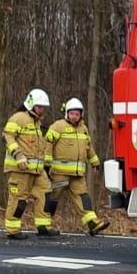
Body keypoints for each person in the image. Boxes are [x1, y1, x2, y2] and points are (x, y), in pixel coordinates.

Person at [43, 98, 110, 236]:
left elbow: (88, 148)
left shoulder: (83, 129)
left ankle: (93, 224)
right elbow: (48, 145)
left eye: (77, 114)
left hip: (77, 175)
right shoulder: (57, 126)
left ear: (81, 115)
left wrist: (95, 162)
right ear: (67, 113)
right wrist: (46, 165)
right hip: (59, 174)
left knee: (83, 198)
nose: (74, 116)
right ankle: (44, 225)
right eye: (72, 113)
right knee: (52, 198)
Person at [3, 88, 56, 240]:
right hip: (20, 169)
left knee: (46, 194)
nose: (42, 110)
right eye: (39, 107)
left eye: (43, 108)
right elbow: (8, 136)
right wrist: (18, 155)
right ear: (31, 104)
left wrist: (46, 165)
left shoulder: (37, 123)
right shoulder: (18, 118)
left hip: (37, 170)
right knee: (19, 199)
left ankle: (43, 226)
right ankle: (13, 230)